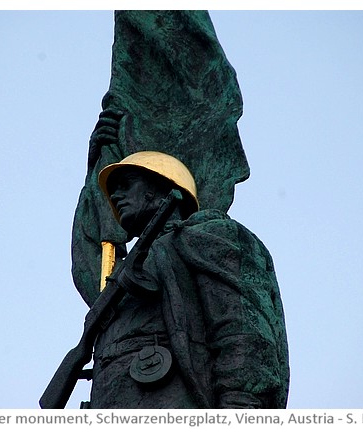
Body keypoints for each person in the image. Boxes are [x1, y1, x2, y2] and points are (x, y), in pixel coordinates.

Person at [87, 150, 290, 409]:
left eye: (126, 184)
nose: (115, 196)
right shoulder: (122, 275)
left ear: (160, 185)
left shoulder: (209, 235)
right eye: (114, 190)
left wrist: (240, 410)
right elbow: (87, 258)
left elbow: (241, 333)